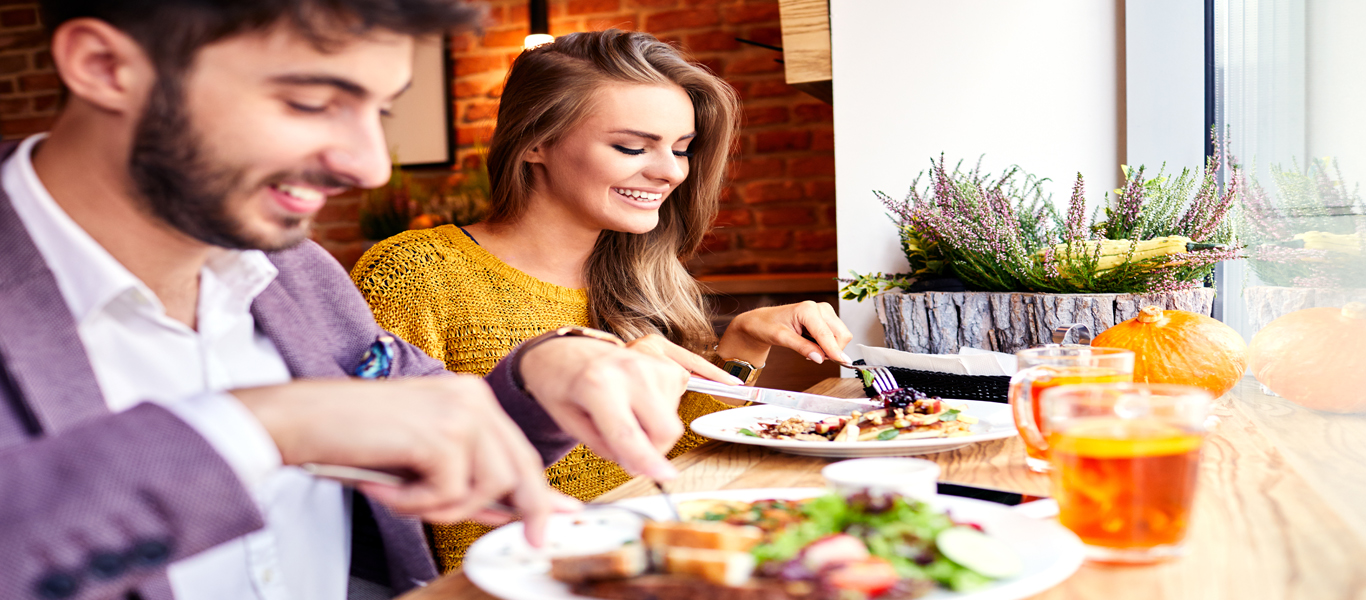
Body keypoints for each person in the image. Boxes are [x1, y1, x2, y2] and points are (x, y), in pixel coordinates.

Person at [0, 2, 697, 599]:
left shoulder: (298, 273)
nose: (368, 165)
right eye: (311, 102)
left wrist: (547, 376)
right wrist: (264, 427)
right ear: (103, 66)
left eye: (381, 109)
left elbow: (426, 424)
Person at [351, 29, 854, 570]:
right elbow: (377, 472)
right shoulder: (416, 271)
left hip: (647, 565)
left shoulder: (644, 276)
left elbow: (670, 462)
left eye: (681, 149)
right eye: (632, 147)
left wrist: (741, 346)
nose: (670, 171)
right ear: (535, 142)